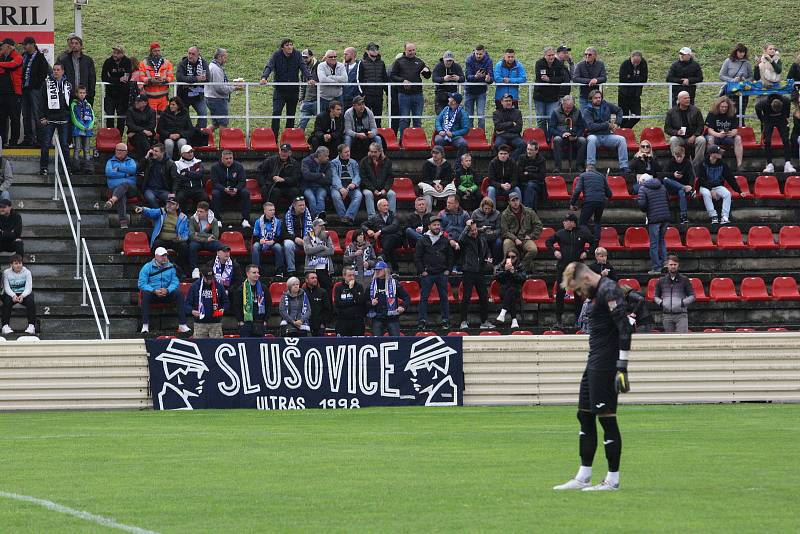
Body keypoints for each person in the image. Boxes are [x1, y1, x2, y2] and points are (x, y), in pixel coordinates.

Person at [553, 261, 632, 492]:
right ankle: (583, 476)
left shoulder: (609, 290)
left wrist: (622, 367)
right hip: (594, 361)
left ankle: (612, 479)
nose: (578, 294)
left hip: (606, 364)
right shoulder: (598, 292)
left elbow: (625, 328)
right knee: (584, 415)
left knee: (606, 418)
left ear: (585, 279)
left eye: (577, 289)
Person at [546, 213, 593, 329]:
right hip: (563, 268)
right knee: (560, 293)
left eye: (566, 221)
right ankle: (558, 320)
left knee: (578, 294)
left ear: (572, 222)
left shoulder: (582, 233)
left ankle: (578, 319)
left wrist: (586, 252)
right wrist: (554, 251)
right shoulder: (560, 233)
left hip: (577, 268)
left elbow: (594, 242)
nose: (564, 223)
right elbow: (548, 242)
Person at [260, 39, 314, 136]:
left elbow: (303, 67)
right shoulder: (276, 55)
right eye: (287, 45)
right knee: (276, 113)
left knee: (291, 115)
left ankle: (288, 139)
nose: (290, 47)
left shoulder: (297, 55)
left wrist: (309, 78)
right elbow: (269, 66)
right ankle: (274, 139)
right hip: (280, 91)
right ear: (282, 47)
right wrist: (264, 77)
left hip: (293, 91)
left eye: (291, 45)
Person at [137, 247, 190, 334]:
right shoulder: (147, 267)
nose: (164, 257)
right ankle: (145, 325)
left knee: (179, 294)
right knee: (145, 294)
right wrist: (154, 290)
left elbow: (175, 281)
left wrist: (168, 290)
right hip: (153, 294)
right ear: (156, 256)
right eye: (162, 256)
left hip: (166, 293)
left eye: (165, 255)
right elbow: (141, 284)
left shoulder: (172, 267)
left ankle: (182, 324)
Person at [414, 216, 452, 328]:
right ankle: (422, 321)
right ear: (429, 226)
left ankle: (446, 320)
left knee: (444, 298)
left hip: (442, 273)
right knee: (424, 298)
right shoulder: (422, 240)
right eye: (434, 225)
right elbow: (417, 257)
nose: (437, 227)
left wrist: (448, 270)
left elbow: (450, 256)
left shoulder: (445, 240)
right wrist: (422, 270)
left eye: (438, 225)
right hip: (428, 274)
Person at [135, 198, 189, 274]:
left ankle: (177, 267)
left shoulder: (183, 217)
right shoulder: (161, 212)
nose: (169, 205)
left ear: (177, 206)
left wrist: (181, 238)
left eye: (172, 204)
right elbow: (151, 212)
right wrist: (143, 209)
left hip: (175, 241)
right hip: (162, 240)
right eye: (168, 203)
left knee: (184, 246)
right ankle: (155, 268)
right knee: (157, 244)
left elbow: (186, 232)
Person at [457, 219, 495, 330]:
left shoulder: (481, 237)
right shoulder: (465, 239)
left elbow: (487, 249)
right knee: (466, 297)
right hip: (468, 271)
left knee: (484, 297)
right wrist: (466, 228)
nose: (474, 232)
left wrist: (488, 258)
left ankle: (484, 321)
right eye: (471, 230)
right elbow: (460, 240)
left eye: (475, 230)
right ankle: (463, 321)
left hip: (480, 271)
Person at [696, 145, 748, 224]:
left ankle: (724, 217)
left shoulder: (722, 164)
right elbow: (701, 180)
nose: (721, 154)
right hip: (705, 186)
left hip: (717, 186)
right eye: (718, 153)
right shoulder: (702, 164)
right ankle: (713, 216)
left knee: (727, 194)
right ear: (712, 154)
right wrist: (711, 190)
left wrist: (739, 191)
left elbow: (730, 178)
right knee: (706, 194)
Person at [390, 42, 431, 137]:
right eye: (409, 50)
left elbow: (427, 76)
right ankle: (403, 141)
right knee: (404, 120)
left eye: (413, 50)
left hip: (418, 95)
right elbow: (392, 75)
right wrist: (402, 80)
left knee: (417, 120)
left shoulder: (419, 61)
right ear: (405, 50)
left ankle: (417, 141)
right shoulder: (399, 61)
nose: (412, 52)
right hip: (404, 95)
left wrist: (427, 71)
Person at [38, 63, 72, 176]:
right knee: (46, 143)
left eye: (58, 70)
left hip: (64, 118)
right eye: (54, 70)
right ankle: (43, 168)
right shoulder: (46, 84)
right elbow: (41, 101)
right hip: (50, 118)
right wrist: (42, 116)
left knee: (64, 144)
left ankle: (67, 168)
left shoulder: (68, 84)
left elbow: (71, 101)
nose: (55, 72)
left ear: (63, 71)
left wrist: (69, 116)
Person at [583, 89, 629, 172]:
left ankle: (624, 166)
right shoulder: (587, 110)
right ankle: (591, 165)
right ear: (591, 99)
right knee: (591, 139)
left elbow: (619, 110)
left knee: (621, 139)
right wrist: (606, 124)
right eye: (596, 98)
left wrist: (617, 123)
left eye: (599, 97)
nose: (598, 99)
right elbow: (591, 127)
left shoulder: (606, 105)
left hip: (607, 135)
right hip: (595, 136)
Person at [637, 174, 671, 275]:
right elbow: (668, 200)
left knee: (654, 244)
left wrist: (646, 209)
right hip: (665, 217)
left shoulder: (643, 189)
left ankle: (656, 268)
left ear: (643, 180)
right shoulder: (662, 186)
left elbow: (642, 205)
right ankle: (665, 264)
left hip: (654, 218)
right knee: (662, 241)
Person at [501, 191, 542, 272]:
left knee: (533, 250)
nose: (515, 202)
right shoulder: (505, 214)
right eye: (513, 200)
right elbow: (505, 231)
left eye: (517, 200)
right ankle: (508, 267)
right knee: (506, 244)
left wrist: (531, 236)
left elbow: (538, 225)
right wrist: (515, 239)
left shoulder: (529, 212)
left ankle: (521, 266)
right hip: (512, 238)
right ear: (509, 202)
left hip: (525, 238)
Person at [653, 255, 695, 333]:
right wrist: (662, 303)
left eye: (675, 264)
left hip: (681, 315)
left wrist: (682, 303)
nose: (673, 266)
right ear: (667, 266)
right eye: (671, 264)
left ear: (678, 265)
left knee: (682, 339)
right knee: (669, 340)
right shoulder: (661, 281)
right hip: (667, 315)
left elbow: (692, 296)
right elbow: (655, 296)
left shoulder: (684, 279)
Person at [20, 37, 49, 147]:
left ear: (32, 44)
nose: (24, 46)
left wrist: (37, 85)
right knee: (26, 114)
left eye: (26, 44)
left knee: (37, 114)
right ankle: (28, 138)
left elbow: (44, 71)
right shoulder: (23, 56)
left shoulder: (40, 57)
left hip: (35, 90)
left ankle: (40, 139)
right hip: (24, 89)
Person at [665, 90, 706, 169]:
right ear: (679, 100)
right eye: (685, 98)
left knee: (702, 140)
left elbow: (701, 126)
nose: (688, 100)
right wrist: (676, 132)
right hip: (680, 137)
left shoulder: (696, 110)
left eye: (689, 98)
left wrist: (694, 136)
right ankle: (677, 162)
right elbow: (667, 128)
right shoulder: (671, 112)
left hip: (693, 136)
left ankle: (696, 166)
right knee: (673, 140)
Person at [367, 261, 409, 336]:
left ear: (386, 270)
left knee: (396, 341)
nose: (378, 271)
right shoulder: (371, 285)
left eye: (380, 270)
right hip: (377, 317)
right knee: (377, 343)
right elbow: (364, 301)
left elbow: (406, 297)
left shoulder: (394, 283)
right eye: (376, 270)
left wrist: (403, 306)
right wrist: (371, 303)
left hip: (392, 318)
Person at [210, 150, 251, 228]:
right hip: (222, 191)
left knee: (245, 192)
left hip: (235, 191)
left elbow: (242, 181)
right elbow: (214, 183)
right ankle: (217, 219)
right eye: (226, 159)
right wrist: (224, 189)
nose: (229, 160)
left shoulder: (239, 166)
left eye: (230, 158)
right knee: (215, 193)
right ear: (222, 159)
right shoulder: (215, 167)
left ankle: (246, 219)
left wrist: (236, 189)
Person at [186, 265, 228, 338]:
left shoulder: (219, 286)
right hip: (200, 324)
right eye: (207, 279)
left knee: (216, 346)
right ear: (202, 276)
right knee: (199, 347)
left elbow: (226, 302)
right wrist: (192, 311)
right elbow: (187, 304)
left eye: (211, 278)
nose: (209, 281)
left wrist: (223, 309)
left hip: (216, 323)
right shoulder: (195, 286)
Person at [756, 94, 796, 173]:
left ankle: (788, 163)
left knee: (785, 139)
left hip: (781, 119)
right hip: (768, 119)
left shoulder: (786, 100)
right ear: (771, 105)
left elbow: (788, 108)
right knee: (767, 141)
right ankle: (769, 164)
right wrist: (762, 120)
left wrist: (786, 115)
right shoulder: (763, 103)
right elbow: (757, 108)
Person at [361, 198, 403, 272]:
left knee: (391, 237)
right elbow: (363, 225)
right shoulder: (374, 218)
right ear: (379, 207)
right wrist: (368, 230)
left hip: (397, 239)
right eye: (384, 206)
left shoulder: (393, 215)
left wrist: (380, 231)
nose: (386, 207)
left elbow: (394, 226)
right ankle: (395, 271)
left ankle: (383, 255)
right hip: (385, 241)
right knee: (390, 248)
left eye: (387, 205)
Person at [570, 168, 612, 240]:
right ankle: (596, 240)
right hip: (601, 201)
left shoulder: (583, 175)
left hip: (589, 200)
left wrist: (572, 203)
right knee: (597, 222)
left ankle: (589, 238)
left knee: (582, 223)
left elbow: (577, 190)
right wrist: (607, 196)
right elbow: (609, 193)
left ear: (586, 169)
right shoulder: (601, 176)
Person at [206, 48, 242, 130]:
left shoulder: (212, 66)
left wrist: (231, 86)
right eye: (225, 57)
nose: (226, 60)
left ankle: (203, 137)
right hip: (217, 99)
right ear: (219, 57)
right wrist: (234, 87)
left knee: (215, 124)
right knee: (223, 123)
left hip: (211, 98)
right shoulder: (216, 69)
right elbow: (220, 88)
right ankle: (223, 143)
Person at [100, 44, 133, 134]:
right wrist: (118, 80)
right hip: (110, 93)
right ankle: (110, 136)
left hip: (123, 94)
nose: (115, 55)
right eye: (114, 52)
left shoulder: (127, 61)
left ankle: (119, 137)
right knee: (109, 116)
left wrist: (116, 80)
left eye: (118, 53)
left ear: (122, 54)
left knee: (121, 118)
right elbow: (104, 77)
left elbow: (127, 77)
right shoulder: (108, 62)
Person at [104, 143, 138, 229]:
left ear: (126, 152)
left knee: (125, 184)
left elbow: (133, 170)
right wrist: (126, 175)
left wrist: (118, 169)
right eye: (116, 150)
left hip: (131, 189)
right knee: (121, 195)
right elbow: (109, 173)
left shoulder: (131, 161)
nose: (117, 152)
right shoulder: (110, 162)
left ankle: (112, 200)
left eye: (120, 150)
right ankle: (123, 222)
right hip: (114, 189)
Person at [550, 95, 587, 172]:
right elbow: (551, 128)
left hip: (574, 136)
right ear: (562, 104)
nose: (568, 110)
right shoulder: (555, 112)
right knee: (557, 140)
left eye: (570, 108)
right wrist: (561, 134)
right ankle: (558, 167)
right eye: (566, 108)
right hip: (561, 136)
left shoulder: (577, 112)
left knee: (583, 141)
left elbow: (581, 127)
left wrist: (577, 136)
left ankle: (579, 165)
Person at [705, 96, 743, 170]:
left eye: (726, 107)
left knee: (738, 138)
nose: (724, 108)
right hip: (715, 135)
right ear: (718, 106)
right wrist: (718, 134)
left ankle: (739, 164)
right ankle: (712, 162)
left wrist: (731, 133)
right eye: (722, 107)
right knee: (710, 139)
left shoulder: (732, 114)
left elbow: (735, 130)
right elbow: (709, 130)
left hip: (727, 136)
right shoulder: (712, 113)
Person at [533, 46, 565, 133]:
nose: (551, 57)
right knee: (541, 120)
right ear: (544, 56)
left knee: (552, 119)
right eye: (549, 55)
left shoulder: (559, 64)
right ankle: (542, 139)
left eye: (552, 55)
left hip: (553, 97)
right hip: (540, 96)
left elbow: (562, 79)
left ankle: (551, 140)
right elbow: (540, 78)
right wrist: (553, 79)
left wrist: (549, 79)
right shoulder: (539, 63)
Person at [58, 33, 96, 106]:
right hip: (69, 95)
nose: (74, 45)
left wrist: (91, 93)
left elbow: (92, 77)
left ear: (81, 46)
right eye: (72, 43)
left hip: (84, 94)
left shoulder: (88, 60)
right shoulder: (64, 60)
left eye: (76, 43)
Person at [176, 46, 209, 129]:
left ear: (198, 55)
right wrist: (196, 79)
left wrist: (189, 81)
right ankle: (186, 132)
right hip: (183, 96)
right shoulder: (183, 63)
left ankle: (199, 133)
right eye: (189, 53)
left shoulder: (203, 63)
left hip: (198, 96)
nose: (190, 56)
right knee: (183, 115)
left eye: (193, 54)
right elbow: (179, 77)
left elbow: (207, 78)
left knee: (203, 114)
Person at [1, 254, 35, 335]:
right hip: (11, 294)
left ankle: (31, 325)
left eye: (20, 263)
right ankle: (5, 326)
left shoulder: (27, 272)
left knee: (31, 299)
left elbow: (29, 287)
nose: (18, 265)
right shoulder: (6, 273)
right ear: (11, 265)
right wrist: (13, 295)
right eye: (16, 263)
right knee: (6, 300)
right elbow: (6, 287)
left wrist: (23, 295)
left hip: (24, 294)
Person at [188, 201, 223, 279]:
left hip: (209, 241)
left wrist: (199, 234)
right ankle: (194, 269)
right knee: (192, 246)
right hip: (198, 241)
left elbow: (216, 236)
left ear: (207, 212)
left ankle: (217, 268)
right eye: (197, 211)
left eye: (201, 211)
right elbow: (191, 235)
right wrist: (206, 238)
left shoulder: (213, 220)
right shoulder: (192, 219)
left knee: (220, 246)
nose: (199, 213)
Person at [359, 142, 395, 217]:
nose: (373, 154)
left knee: (392, 194)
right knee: (368, 194)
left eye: (375, 152)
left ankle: (391, 217)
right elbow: (363, 178)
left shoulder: (387, 161)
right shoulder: (364, 161)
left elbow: (390, 177)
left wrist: (385, 189)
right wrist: (373, 189)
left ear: (380, 151)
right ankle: (372, 217)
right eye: (371, 152)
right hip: (368, 187)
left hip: (383, 187)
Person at [330, 144, 363, 225]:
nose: (348, 153)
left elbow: (357, 175)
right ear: (340, 153)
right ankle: (343, 218)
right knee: (336, 196)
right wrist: (340, 188)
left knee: (358, 195)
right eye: (346, 152)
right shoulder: (333, 163)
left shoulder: (353, 162)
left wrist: (354, 184)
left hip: (351, 185)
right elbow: (334, 176)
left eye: (349, 151)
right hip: (337, 186)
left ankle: (348, 217)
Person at [357, 43, 388, 127]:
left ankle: (378, 137)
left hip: (378, 95)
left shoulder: (381, 63)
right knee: (364, 117)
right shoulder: (362, 62)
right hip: (367, 95)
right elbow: (358, 79)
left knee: (378, 119)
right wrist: (362, 93)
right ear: (367, 51)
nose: (375, 51)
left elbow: (385, 79)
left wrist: (388, 92)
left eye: (376, 49)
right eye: (372, 49)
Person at [251, 201, 285, 277]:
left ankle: (279, 271)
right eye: (270, 210)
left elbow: (279, 236)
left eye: (273, 210)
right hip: (262, 241)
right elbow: (255, 235)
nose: (272, 212)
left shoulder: (278, 222)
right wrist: (260, 240)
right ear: (265, 211)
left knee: (278, 247)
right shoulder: (258, 221)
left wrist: (273, 241)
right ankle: (256, 270)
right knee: (255, 246)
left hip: (273, 241)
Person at [234, 264, 269, 337]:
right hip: (246, 324)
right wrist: (240, 321)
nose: (257, 275)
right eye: (254, 273)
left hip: (260, 323)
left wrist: (265, 320)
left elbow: (269, 304)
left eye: (258, 272)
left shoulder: (263, 288)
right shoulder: (241, 289)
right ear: (247, 274)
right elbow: (236, 306)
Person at [463, 45, 494, 129]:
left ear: (484, 52)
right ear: (474, 52)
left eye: (480, 54)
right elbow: (468, 76)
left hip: (481, 92)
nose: (478, 56)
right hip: (469, 91)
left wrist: (488, 79)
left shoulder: (488, 61)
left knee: (481, 115)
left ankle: (482, 135)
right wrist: (475, 76)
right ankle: (469, 134)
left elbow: (491, 78)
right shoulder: (469, 60)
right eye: (477, 54)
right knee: (469, 115)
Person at [719, 44, 753, 117]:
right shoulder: (728, 61)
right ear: (735, 52)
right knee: (730, 111)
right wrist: (732, 80)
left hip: (743, 91)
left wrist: (745, 80)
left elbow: (751, 77)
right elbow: (721, 75)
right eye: (740, 52)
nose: (742, 54)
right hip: (731, 90)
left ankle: (741, 126)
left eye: (743, 52)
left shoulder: (747, 63)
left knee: (741, 112)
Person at [139, 43, 174, 113]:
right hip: (150, 97)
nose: (157, 53)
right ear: (151, 51)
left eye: (158, 51)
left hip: (164, 97)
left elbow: (171, 77)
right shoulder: (143, 63)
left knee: (163, 118)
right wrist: (150, 80)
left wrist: (164, 79)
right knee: (152, 118)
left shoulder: (167, 63)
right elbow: (141, 77)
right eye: (155, 51)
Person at [495, 250, 526, 329]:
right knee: (510, 293)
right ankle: (514, 320)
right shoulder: (501, 265)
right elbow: (497, 278)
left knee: (511, 290)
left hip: (516, 290)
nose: (511, 259)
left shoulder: (520, 265)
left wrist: (513, 272)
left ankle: (502, 313)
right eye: (509, 257)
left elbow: (522, 279)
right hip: (504, 290)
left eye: (513, 257)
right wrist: (505, 271)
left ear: (517, 257)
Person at [664, 146, 695, 225]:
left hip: (683, 188)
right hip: (673, 186)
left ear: (684, 155)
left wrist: (691, 186)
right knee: (665, 179)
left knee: (682, 192)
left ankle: (683, 216)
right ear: (674, 155)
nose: (678, 159)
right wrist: (673, 174)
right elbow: (663, 174)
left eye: (680, 157)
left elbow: (692, 176)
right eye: (677, 157)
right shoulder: (671, 162)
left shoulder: (687, 163)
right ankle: (683, 187)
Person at [68, 84, 95, 173]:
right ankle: (76, 167)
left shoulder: (88, 105)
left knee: (87, 149)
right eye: (80, 93)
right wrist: (83, 127)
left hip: (87, 130)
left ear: (86, 94)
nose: (82, 95)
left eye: (83, 93)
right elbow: (74, 118)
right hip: (78, 130)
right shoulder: (73, 104)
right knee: (77, 148)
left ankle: (88, 168)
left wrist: (90, 126)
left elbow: (92, 117)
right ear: (76, 94)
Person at [283, 196, 313, 277]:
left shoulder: (309, 215)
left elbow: (313, 230)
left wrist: (307, 239)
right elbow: (284, 233)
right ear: (294, 206)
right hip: (294, 242)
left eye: (304, 205)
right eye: (300, 205)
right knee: (288, 244)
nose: (303, 207)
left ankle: (310, 270)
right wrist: (295, 239)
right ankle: (291, 270)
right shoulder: (287, 216)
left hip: (307, 241)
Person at [419, 145, 455, 212]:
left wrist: (442, 184)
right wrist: (434, 185)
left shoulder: (447, 164)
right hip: (430, 185)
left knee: (452, 195)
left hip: (442, 185)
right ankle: (427, 216)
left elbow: (448, 178)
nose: (434, 155)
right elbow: (424, 178)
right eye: (433, 153)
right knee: (427, 197)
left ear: (442, 154)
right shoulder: (427, 164)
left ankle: (450, 215)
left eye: (437, 153)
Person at [139, 144, 176, 208]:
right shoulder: (149, 160)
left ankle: (168, 216)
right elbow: (139, 169)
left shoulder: (170, 163)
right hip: (149, 189)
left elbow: (175, 179)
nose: (153, 153)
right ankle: (159, 215)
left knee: (171, 200)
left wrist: (173, 192)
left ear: (162, 152)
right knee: (151, 198)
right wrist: (146, 157)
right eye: (153, 150)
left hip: (163, 190)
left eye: (156, 151)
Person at [173, 145, 207, 215]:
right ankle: (183, 217)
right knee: (179, 198)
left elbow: (200, 175)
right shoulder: (177, 164)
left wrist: (186, 173)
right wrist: (194, 174)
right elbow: (179, 177)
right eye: (188, 152)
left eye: (191, 151)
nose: (191, 153)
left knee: (205, 198)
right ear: (182, 154)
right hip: (184, 188)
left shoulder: (198, 162)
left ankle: (199, 216)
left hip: (197, 188)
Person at [618, 51, 648, 129]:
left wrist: (630, 77)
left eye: (638, 62)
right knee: (624, 117)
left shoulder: (643, 64)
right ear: (630, 58)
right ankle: (624, 134)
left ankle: (624, 131)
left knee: (637, 116)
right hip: (624, 95)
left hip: (636, 95)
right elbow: (623, 79)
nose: (636, 64)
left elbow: (644, 79)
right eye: (634, 62)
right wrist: (637, 79)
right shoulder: (625, 64)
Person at [439, 195, 469, 273]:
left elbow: (469, 228)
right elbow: (439, 230)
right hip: (447, 239)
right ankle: (451, 267)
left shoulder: (465, 214)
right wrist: (450, 240)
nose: (448, 204)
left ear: (457, 204)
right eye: (447, 202)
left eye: (450, 203)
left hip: (461, 239)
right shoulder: (442, 214)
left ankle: (461, 267)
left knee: (466, 243)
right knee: (446, 245)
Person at [343, 95, 378, 161]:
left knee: (377, 138)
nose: (362, 106)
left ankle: (380, 159)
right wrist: (357, 134)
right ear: (354, 106)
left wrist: (372, 133)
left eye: (363, 104)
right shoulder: (348, 113)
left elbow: (374, 129)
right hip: (353, 135)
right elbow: (347, 130)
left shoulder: (369, 112)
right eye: (359, 105)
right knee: (347, 138)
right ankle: (345, 160)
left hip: (366, 135)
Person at [433, 92, 469, 156]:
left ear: (454, 102)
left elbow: (465, 129)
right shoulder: (445, 109)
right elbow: (438, 120)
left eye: (450, 98)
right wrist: (440, 130)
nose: (448, 99)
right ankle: (441, 161)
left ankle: (460, 162)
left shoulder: (463, 113)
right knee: (438, 140)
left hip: (455, 136)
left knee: (463, 143)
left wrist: (453, 134)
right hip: (443, 135)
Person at [334, 266, 367, 336]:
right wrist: (353, 302)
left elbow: (361, 301)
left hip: (357, 321)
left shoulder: (359, 286)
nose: (352, 277)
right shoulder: (338, 287)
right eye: (349, 275)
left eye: (353, 275)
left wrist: (352, 289)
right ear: (344, 276)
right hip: (343, 321)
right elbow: (338, 304)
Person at [300, 146, 332, 217]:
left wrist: (313, 178)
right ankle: (314, 218)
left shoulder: (328, 164)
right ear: (319, 156)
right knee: (312, 198)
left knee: (320, 198)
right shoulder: (306, 161)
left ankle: (320, 218)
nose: (328, 158)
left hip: (321, 187)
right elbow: (306, 176)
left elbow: (328, 179)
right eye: (326, 156)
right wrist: (320, 175)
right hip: (307, 186)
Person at [303, 218, 334, 290]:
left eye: (323, 225)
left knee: (327, 289)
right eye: (320, 225)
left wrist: (315, 252)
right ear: (314, 227)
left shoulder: (327, 236)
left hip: (324, 267)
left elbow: (331, 251)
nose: (322, 227)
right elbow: (308, 251)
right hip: (311, 267)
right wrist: (322, 247)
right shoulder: (308, 236)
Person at [126, 95, 156, 163]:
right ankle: (148, 157)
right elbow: (130, 125)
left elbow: (152, 126)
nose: (136, 102)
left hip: (146, 135)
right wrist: (143, 130)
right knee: (141, 138)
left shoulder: (152, 111)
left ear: (145, 103)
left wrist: (137, 131)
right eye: (136, 101)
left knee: (141, 138)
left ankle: (142, 162)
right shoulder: (130, 110)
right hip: (135, 137)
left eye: (139, 101)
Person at [471, 197, 502, 263]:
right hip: (480, 235)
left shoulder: (497, 214)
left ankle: (496, 262)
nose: (487, 210)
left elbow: (499, 229)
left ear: (492, 208)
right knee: (481, 242)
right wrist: (481, 229)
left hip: (493, 236)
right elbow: (472, 228)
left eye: (489, 209)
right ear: (482, 207)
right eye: (485, 208)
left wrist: (493, 232)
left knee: (498, 243)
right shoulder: (475, 213)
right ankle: (482, 262)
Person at [517, 141, 547, 209]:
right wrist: (533, 175)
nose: (528, 151)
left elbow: (542, 176)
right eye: (528, 149)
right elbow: (519, 174)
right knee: (532, 191)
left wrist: (528, 174)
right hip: (524, 183)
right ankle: (530, 213)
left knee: (530, 185)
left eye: (531, 150)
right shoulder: (521, 158)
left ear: (536, 151)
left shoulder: (541, 159)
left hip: (538, 184)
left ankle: (525, 211)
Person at [297, 49, 321, 131]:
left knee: (319, 125)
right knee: (301, 124)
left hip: (317, 101)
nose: (304, 60)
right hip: (306, 100)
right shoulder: (303, 68)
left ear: (311, 56)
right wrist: (301, 99)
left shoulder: (319, 66)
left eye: (306, 57)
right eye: (302, 57)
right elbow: (302, 85)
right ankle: (297, 140)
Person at [304, 271, 333, 336]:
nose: (315, 280)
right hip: (305, 325)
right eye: (312, 278)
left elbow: (327, 309)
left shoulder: (323, 292)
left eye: (316, 278)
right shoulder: (302, 292)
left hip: (319, 326)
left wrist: (323, 323)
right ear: (306, 280)